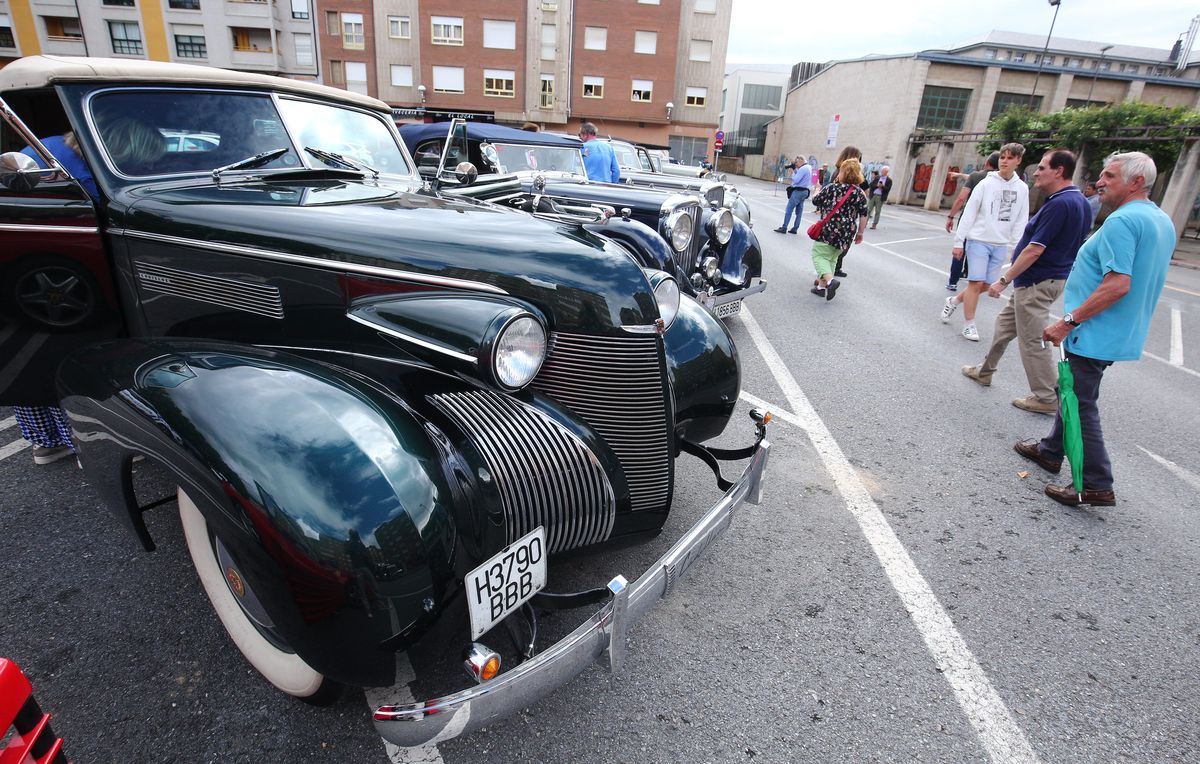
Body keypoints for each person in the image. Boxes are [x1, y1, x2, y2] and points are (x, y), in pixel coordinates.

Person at [1014, 151, 1174, 507]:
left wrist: (1067, 321)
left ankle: (1095, 482)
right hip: (1120, 330)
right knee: (1071, 390)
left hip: (1095, 329)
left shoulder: (1123, 221)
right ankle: (1052, 450)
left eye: (1110, 176)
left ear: (1135, 182)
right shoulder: (1160, 219)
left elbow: (1118, 284)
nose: (1100, 181)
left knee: (1080, 401)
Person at [961, 148, 1090, 414]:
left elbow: (1034, 249)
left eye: (1042, 167)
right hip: (1040, 281)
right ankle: (985, 371)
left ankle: (1045, 397)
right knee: (1004, 327)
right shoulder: (1077, 201)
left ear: (1059, 171)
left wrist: (1004, 280)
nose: (1036, 172)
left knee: (1032, 340)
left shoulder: (1060, 204)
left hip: (1037, 283)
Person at [16, 132, 92, 465]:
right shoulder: (84, 172)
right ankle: (82, 444)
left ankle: (45, 440)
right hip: (65, 264)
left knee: (32, 352)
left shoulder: (37, 148)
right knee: (74, 352)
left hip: (21, 264)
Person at [941, 143, 1029, 342]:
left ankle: (954, 300)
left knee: (987, 284)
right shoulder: (986, 183)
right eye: (1002, 157)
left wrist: (1018, 247)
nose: (1004, 161)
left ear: (1018, 160)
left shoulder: (1022, 188)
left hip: (1000, 243)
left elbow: (1021, 219)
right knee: (975, 282)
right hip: (978, 239)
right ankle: (969, 324)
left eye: (1009, 158)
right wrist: (958, 241)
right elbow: (970, 212)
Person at [808, 158, 868, 301]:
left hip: (830, 228)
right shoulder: (859, 193)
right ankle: (821, 288)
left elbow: (816, 201)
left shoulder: (831, 188)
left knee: (819, 255)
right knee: (833, 257)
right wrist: (860, 233)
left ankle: (830, 281)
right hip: (847, 231)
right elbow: (864, 215)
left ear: (842, 172)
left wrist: (817, 190)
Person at [945, 152, 1000, 291]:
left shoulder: (977, 176)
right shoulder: (1001, 180)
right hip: (990, 220)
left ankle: (953, 282)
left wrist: (951, 216)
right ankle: (971, 277)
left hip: (970, 217)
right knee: (978, 247)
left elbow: (961, 198)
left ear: (987, 162)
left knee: (961, 248)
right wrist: (959, 175)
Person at [829, 146, 863, 277]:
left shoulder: (856, 177)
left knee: (842, 247)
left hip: (846, 218)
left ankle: (834, 270)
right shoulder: (838, 173)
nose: (859, 162)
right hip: (838, 217)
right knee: (833, 248)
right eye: (858, 158)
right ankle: (826, 276)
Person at [775, 157, 813, 234]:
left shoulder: (802, 169)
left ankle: (784, 227)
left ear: (801, 161)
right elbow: (801, 177)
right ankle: (795, 228)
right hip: (805, 191)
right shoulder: (809, 167)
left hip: (798, 191)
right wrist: (795, 170)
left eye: (796, 162)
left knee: (789, 210)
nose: (795, 164)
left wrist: (792, 172)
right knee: (799, 211)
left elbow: (796, 180)